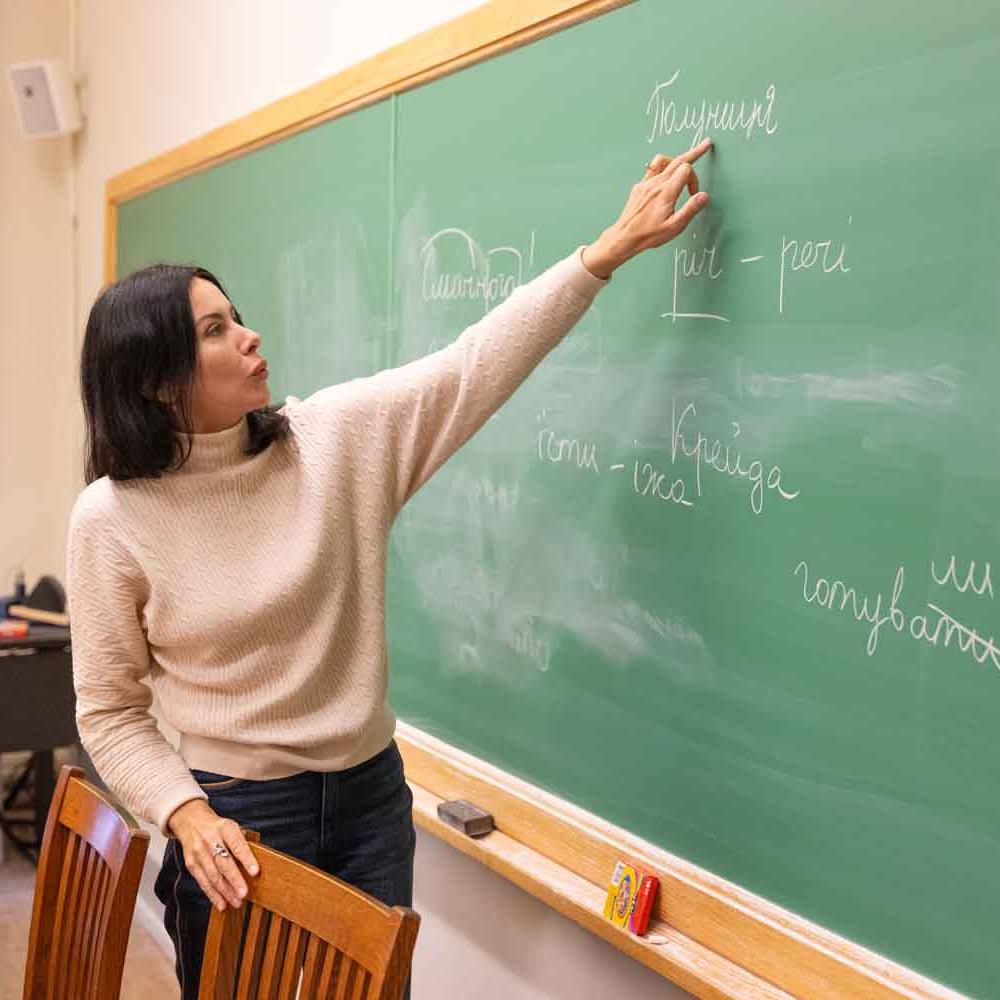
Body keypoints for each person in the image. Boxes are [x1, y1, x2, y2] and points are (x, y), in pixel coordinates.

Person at [66, 140, 712, 998]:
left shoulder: (334, 440)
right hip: (237, 821)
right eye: (216, 329)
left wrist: (606, 251)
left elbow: (474, 364)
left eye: (236, 313)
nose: (250, 334)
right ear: (154, 382)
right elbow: (109, 712)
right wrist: (184, 812)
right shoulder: (113, 518)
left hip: (372, 801)